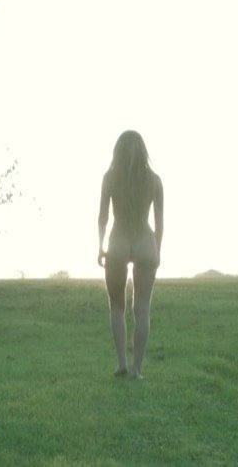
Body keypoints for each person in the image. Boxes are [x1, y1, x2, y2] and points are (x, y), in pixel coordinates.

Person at [97, 130, 163, 380]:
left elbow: (103, 216)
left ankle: (121, 363)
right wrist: (157, 249)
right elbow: (160, 222)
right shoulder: (154, 180)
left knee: (117, 307)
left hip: (118, 241)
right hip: (145, 241)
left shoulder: (110, 178)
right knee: (142, 309)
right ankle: (137, 369)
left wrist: (100, 245)